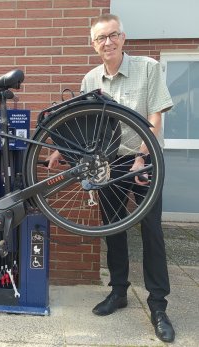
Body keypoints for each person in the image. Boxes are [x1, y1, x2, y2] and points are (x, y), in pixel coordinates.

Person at [78, 14, 175, 342]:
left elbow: (155, 116)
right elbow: (87, 127)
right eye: (101, 38)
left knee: (151, 230)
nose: (108, 42)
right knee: (113, 227)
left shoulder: (147, 68)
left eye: (113, 35)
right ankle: (119, 291)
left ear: (123, 37)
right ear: (93, 45)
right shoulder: (90, 80)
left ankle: (158, 304)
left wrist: (141, 156)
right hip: (109, 163)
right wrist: (65, 153)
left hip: (145, 160)